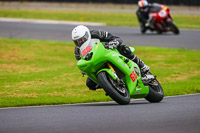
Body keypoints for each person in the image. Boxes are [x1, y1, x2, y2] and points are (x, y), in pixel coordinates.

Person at [71, 25, 150, 90]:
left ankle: (142, 66)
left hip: (109, 52)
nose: (80, 42)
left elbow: (116, 38)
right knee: (90, 84)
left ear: (87, 35)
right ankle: (111, 85)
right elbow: (81, 61)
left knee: (124, 48)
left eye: (81, 39)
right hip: (95, 62)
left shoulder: (97, 33)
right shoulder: (77, 51)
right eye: (77, 41)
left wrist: (113, 42)